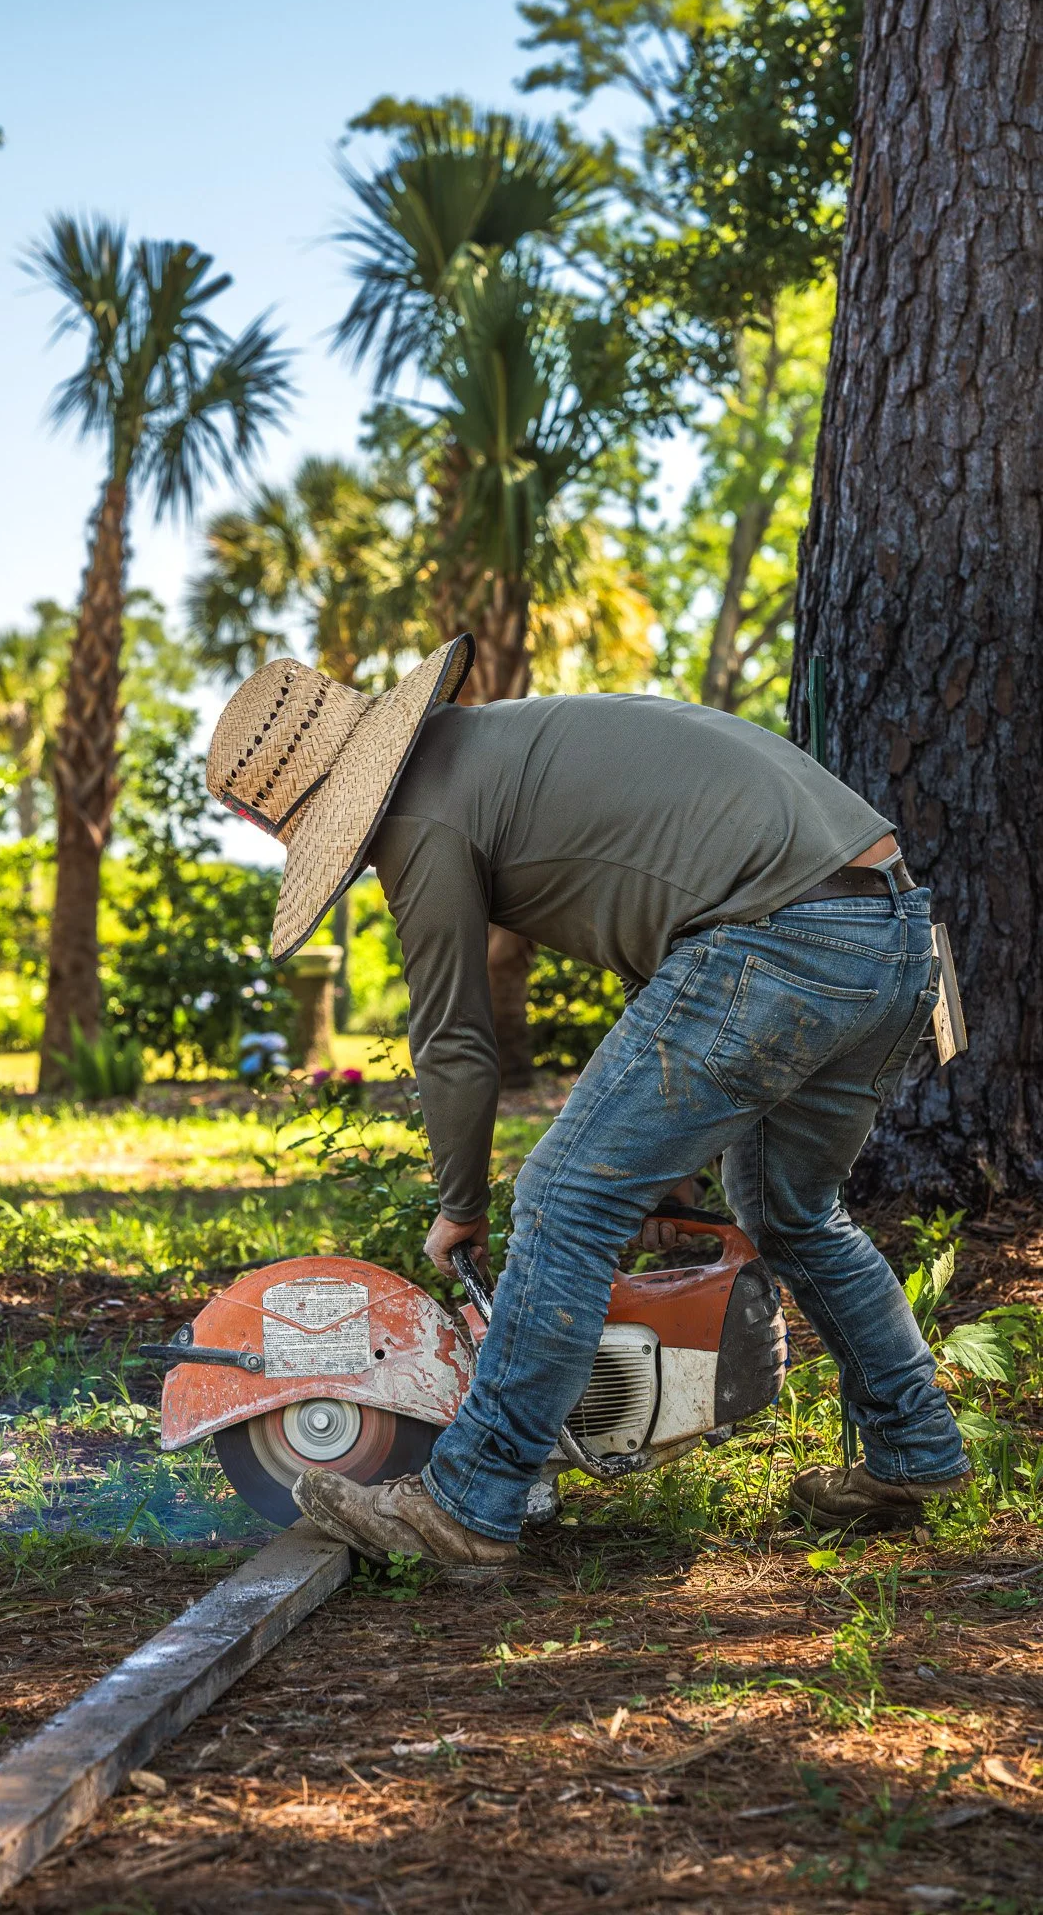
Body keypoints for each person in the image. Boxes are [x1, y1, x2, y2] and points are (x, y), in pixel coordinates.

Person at [206, 635, 969, 1569]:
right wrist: (664, 1172)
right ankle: (915, 1448)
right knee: (791, 1210)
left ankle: (468, 1499)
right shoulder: (502, 747)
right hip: (890, 938)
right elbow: (672, 968)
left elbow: (452, 1039)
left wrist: (460, 1206)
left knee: (563, 1202)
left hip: (777, 939)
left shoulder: (422, 820)